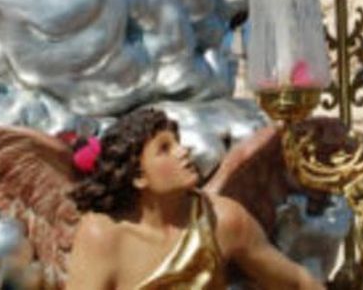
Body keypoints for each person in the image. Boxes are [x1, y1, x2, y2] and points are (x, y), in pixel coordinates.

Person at [63, 109, 324, 289]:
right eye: (164, 149)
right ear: (138, 177)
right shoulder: (103, 234)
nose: (183, 151)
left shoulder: (222, 220)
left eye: (178, 141)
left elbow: (297, 283)